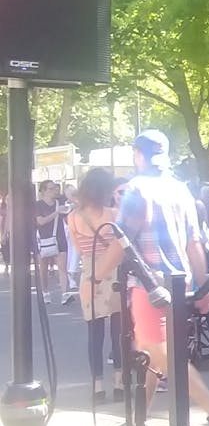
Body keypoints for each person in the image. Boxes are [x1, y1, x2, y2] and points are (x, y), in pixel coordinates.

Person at [101, 130, 209, 426]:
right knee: (152, 351)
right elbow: (194, 244)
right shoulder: (181, 190)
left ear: (138, 155)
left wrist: (96, 272)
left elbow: (122, 240)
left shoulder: (137, 189)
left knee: (160, 351)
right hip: (180, 283)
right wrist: (204, 287)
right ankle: (138, 420)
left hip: (150, 285)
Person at [69, 168, 125, 402]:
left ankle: (97, 387)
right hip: (113, 273)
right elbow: (122, 245)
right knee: (118, 332)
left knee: (95, 333)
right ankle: (120, 383)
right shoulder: (113, 214)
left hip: (89, 275)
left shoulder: (73, 217)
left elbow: (80, 249)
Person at [34, 180, 68, 303]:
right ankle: (45, 291)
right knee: (43, 268)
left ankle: (65, 294)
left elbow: (69, 214)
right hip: (43, 238)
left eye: (55, 188)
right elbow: (41, 221)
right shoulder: (38, 205)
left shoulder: (60, 202)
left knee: (62, 267)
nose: (55, 190)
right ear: (43, 191)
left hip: (60, 238)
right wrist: (56, 213)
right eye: (51, 188)